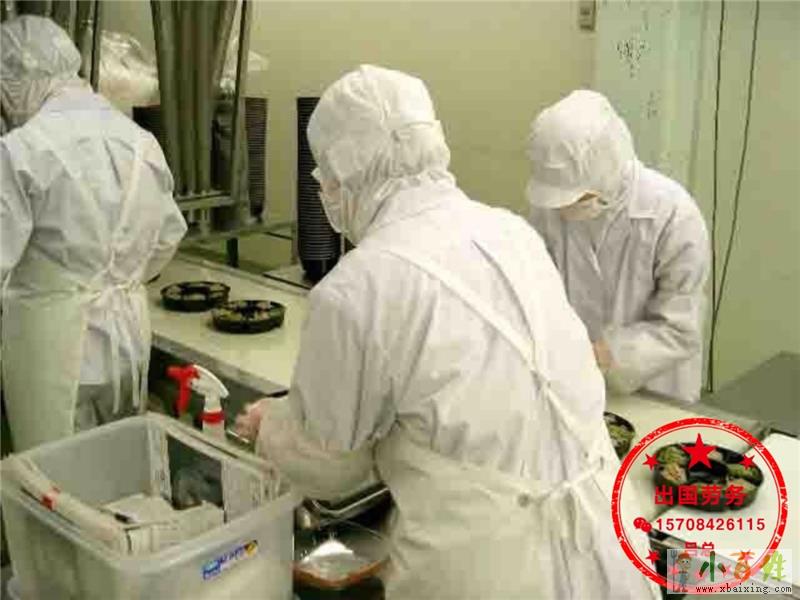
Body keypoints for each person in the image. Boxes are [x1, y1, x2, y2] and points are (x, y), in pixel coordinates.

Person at [235, 65, 658, 599]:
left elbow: (329, 465)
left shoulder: (355, 288)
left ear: (342, 174)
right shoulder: (512, 232)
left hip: (491, 570)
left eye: (325, 176)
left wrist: (271, 427)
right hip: (610, 544)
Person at [1, 16, 187, 451]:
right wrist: (118, 277)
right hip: (128, 342)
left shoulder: (22, 150)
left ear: (16, 82)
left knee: (54, 477)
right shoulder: (140, 142)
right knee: (118, 468)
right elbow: (167, 237)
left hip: (55, 348)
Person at [526, 90, 710, 404]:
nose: (563, 208)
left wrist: (602, 354)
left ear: (607, 174)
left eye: (576, 197)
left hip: (655, 389)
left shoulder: (674, 216)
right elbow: (534, 285)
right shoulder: (548, 210)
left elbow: (680, 328)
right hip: (572, 386)